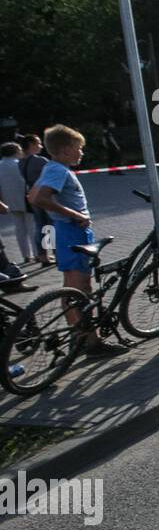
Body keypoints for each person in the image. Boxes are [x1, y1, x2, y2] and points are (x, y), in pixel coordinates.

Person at [30, 126, 124, 357]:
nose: (81, 153)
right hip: (71, 231)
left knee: (80, 288)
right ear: (65, 149)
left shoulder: (50, 167)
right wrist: (76, 215)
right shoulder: (59, 171)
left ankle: (83, 337)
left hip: (68, 230)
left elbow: (31, 195)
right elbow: (40, 198)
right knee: (77, 290)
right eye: (78, 148)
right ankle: (89, 343)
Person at [18, 133, 53, 266]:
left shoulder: (21, 161)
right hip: (44, 194)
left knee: (40, 225)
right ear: (31, 145)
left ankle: (43, 255)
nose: (41, 146)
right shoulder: (40, 161)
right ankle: (53, 253)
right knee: (50, 225)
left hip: (32, 194)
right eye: (38, 143)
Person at [0, 142, 36, 263]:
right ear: (15, 151)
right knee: (32, 227)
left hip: (9, 201)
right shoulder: (20, 164)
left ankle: (26, 255)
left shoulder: (0, 165)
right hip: (26, 199)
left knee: (19, 228)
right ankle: (38, 253)